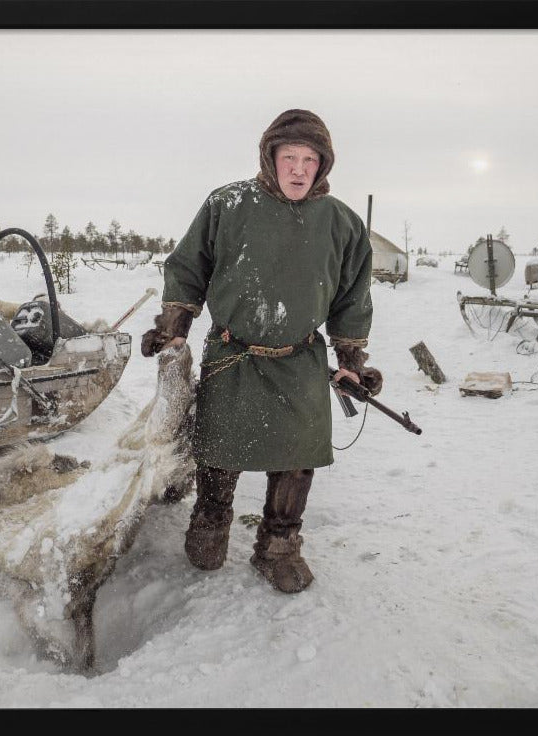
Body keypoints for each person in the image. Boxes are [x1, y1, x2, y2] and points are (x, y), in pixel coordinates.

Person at [141, 109, 382, 594]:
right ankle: (209, 523)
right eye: (288, 157)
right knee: (219, 450)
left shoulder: (342, 223)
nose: (298, 169)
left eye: (309, 160)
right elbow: (188, 267)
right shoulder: (227, 204)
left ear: (323, 165)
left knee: (296, 457)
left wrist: (352, 364)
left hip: (300, 359)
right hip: (233, 355)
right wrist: (174, 329)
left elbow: (353, 298)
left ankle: (278, 546)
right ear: (270, 158)